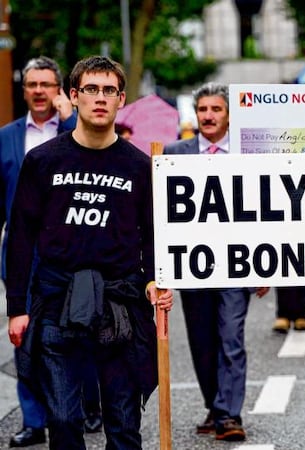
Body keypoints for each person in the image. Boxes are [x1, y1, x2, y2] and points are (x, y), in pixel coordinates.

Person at [4, 55, 173, 449]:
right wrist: (17, 307)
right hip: (56, 298)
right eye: (91, 90)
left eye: (109, 91)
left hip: (120, 304)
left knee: (123, 423)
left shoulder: (139, 166)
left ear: (120, 99)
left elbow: (152, 234)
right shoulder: (42, 162)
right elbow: (21, 236)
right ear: (74, 96)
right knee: (63, 420)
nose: (100, 98)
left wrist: (155, 281)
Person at [0, 56, 108, 448]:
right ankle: (34, 419)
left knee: (78, 331)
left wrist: (67, 121)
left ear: (61, 91)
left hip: (70, 256)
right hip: (22, 253)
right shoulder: (7, 137)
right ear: (24, 89)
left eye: (47, 84)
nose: (40, 91)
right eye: (33, 84)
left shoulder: (72, 127)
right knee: (23, 337)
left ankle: (84, 403)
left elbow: (92, 156)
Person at [164, 82, 263, 441]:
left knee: (231, 337)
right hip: (193, 264)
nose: (207, 116)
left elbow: (264, 209)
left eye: (215, 109)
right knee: (202, 341)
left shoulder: (248, 154)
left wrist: (265, 266)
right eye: (202, 109)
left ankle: (229, 415)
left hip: (238, 263)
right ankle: (215, 405)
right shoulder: (175, 153)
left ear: (229, 115)